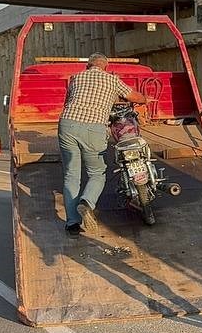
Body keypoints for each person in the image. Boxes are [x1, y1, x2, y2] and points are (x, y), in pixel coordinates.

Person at [59, 53, 147, 234]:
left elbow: (68, 101)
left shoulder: (76, 79)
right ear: (105, 67)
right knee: (97, 173)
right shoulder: (112, 80)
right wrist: (145, 99)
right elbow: (134, 96)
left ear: (88, 67)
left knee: (71, 175)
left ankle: (72, 224)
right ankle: (86, 202)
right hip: (93, 128)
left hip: (67, 125)